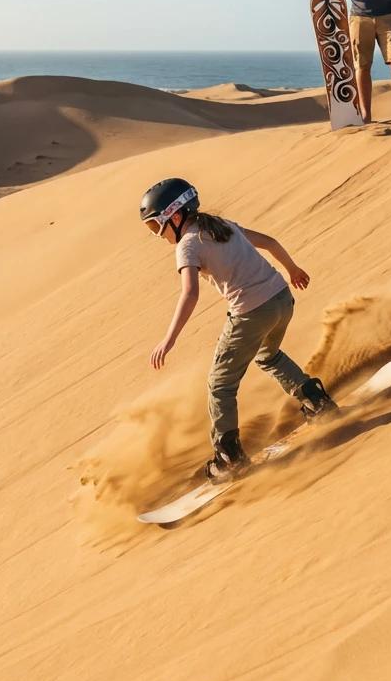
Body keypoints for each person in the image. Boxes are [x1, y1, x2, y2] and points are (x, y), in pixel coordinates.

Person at [141, 178, 337, 481]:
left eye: (156, 227)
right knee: (267, 354)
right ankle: (316, 399)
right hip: (282, 299)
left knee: (220, 384)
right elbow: (269, 242)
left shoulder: (187, 245)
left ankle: (229, 457)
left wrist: (169, 339)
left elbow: (189, 293)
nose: (158, 236)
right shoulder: (221, 224)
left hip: (251, 312)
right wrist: (292, 269)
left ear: (175, 216)